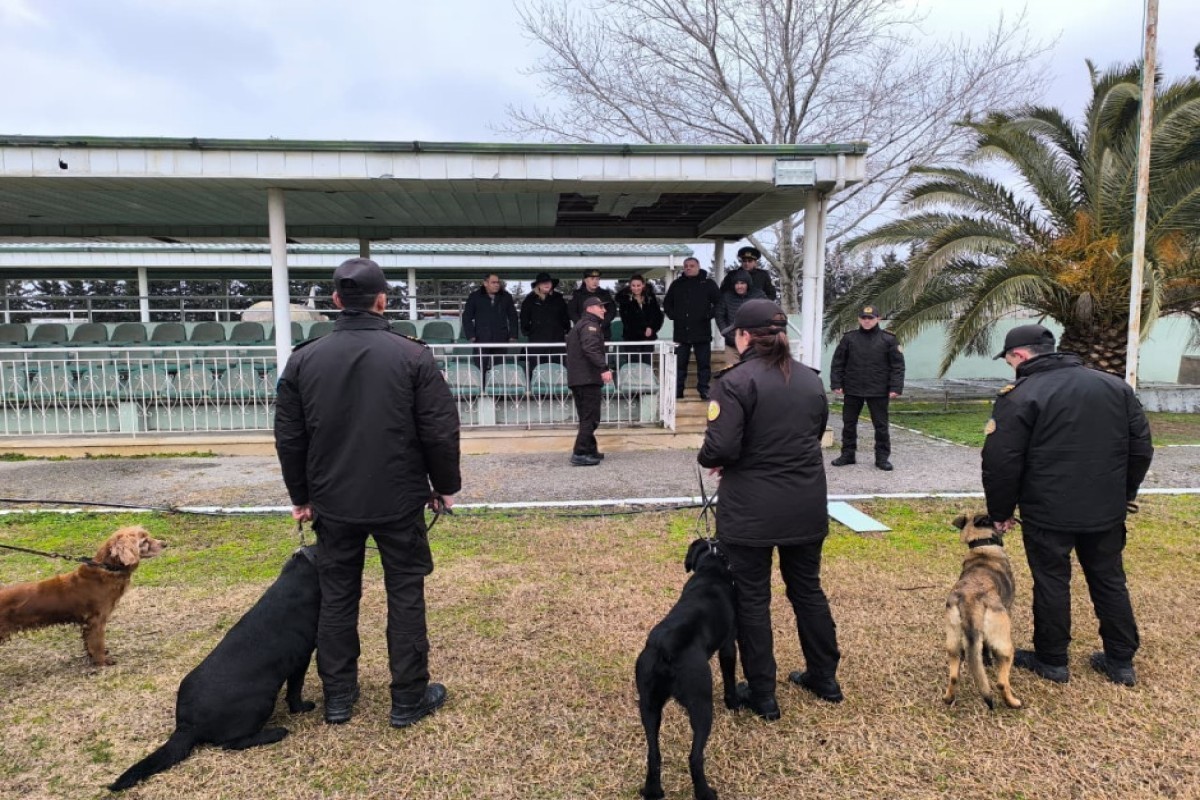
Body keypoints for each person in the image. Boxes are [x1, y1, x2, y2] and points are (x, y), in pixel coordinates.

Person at [274, 257, 461, 729]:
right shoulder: (414, 355)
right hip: (399, 499)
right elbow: (439, 431)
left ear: (336, 301)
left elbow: (290, 437)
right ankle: (408, 699)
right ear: (382, 301)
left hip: (332, 501)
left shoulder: (303, 359)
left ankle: (339, 697)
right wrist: (446, 486)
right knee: (405, 594)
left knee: (337, 597)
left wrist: (301, 495)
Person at [982, 324, 1153, 687]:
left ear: (1021, 356)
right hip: (1105, 508)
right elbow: (1141, 448)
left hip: (1048, 511)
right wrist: (1125, 493)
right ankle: (1121, 660)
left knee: (1051, 582)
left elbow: (1002, 460)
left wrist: (1000, 512)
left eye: (1009, 360)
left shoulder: (1020, 395)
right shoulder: (1114, 386)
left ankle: (1053, 660)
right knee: (1109, 579)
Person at [698, 299, 842, 720]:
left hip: (751, 510)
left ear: (743, 337)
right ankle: (825, 678)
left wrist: (714, 458)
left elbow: (720, 447)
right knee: (807, 591)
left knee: (752, 600)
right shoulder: (810, 380)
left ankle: (763, 694)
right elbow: (813, 433)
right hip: (805, 504)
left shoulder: (734, 382)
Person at [829, 304, 905, 471]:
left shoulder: (889, 339)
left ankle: (882, 458)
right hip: (853, 388)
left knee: (881, 426)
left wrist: (896, 388)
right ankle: (848, 455)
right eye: (864, 318)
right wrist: (836, 383)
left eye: (870, 318)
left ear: (878, 319)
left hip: (878, 390)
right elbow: (838, 363)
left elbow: (897, 366)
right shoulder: (849, 338)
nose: (867, 321)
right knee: (849, 424)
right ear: (859, 319)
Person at [662, 256, 720, 400]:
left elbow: (719, 303)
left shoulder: (708, 283)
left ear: (698, 266)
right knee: (680, 365)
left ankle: (704, 390)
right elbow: (667, 303)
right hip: (681, 332)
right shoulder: (677, 284)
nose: (688, 268)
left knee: (704, 364)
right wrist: (673, 315)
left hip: (702, 331)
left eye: (691, 265)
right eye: (686, 266)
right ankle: (677, 391)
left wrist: (708, 315)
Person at [565, 296, 614, 466]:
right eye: (600, 307)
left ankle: (590, 449)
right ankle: (580, 453)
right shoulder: (590, 326)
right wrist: (604, 368)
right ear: (590, 308)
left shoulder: (581, 325)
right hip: (587, 379)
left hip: (580, 378)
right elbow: (591, 349)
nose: (604, 310)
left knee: (587, 416)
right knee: (590, 417)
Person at [461, 273, 518, 373]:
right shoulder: (475, 296)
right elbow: (466, 317)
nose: (497, 285)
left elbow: (513, 316)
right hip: (481, 339)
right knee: (480, 368)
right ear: (485, 283)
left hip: (501, 338)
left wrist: (513, 334)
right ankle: (482, 388)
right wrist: (471, 335)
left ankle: (497, 388)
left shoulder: (506, 296)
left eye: (498, 282)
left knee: (499, 369)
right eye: (493, 282)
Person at [614, 274, 664, 362]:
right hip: (632, 339)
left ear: (643, 285)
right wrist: (642, 331)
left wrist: (652, 328)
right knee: (633, 365)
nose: (636, 288)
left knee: (647, 365)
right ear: (630, 286)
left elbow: (658, 316)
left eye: (638, 285)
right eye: (633, 285)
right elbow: (626, 320)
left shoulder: (650, 299)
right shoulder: (625, 301)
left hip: (648, 339)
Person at [714, 269, 764, 349]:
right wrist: (726, 332)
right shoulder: (726, 297)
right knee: (733, 362)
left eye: (742, 283)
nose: (739, 286)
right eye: (736, 283)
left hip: (754, 344)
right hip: (732, 344)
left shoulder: (758, 295)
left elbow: (766, 314)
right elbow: (719, 315)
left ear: (748, 284)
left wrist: (759, 334)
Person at [567, 268, 616, 337]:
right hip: (583, 332)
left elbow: (612, 311)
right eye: (592, 279)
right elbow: (572, 312)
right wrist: (583, 325)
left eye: (597, 279)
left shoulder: (605, 294)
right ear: (585, 280)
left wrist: (603, 323)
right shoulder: (578, 294)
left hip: (602, 332)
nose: (595, 282)